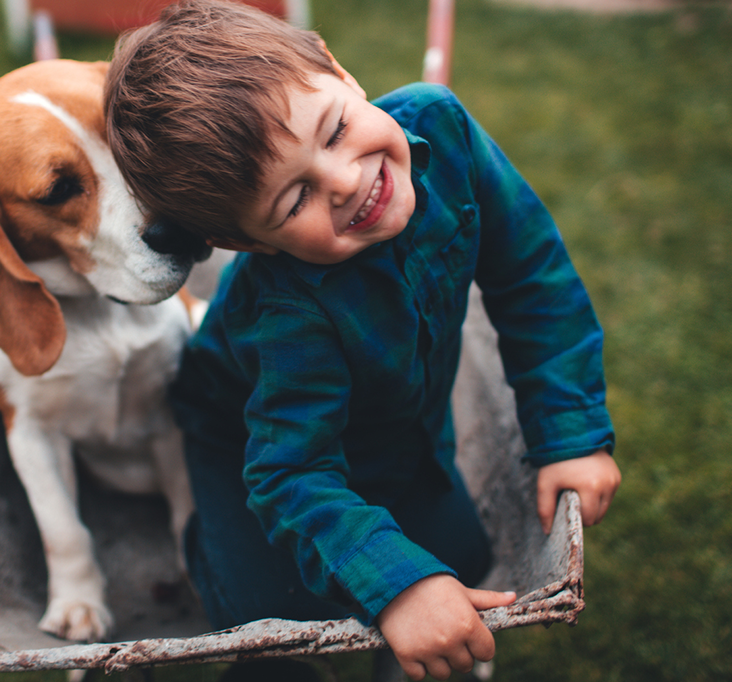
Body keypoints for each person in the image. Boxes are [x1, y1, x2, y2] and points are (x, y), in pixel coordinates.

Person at [104, 2, 622, 679]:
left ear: (338, 69)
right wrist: (401, 586)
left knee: (460, 559)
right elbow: (292, 470)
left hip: (394, 417)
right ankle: (209, 544)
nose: (349, 181)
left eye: (337, 129)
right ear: (246, 244)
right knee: (268, 621)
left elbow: (533, 276)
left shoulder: (445, 130)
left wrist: (572, 431)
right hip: (251, 441)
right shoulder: (289, 314)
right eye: (295, 201)